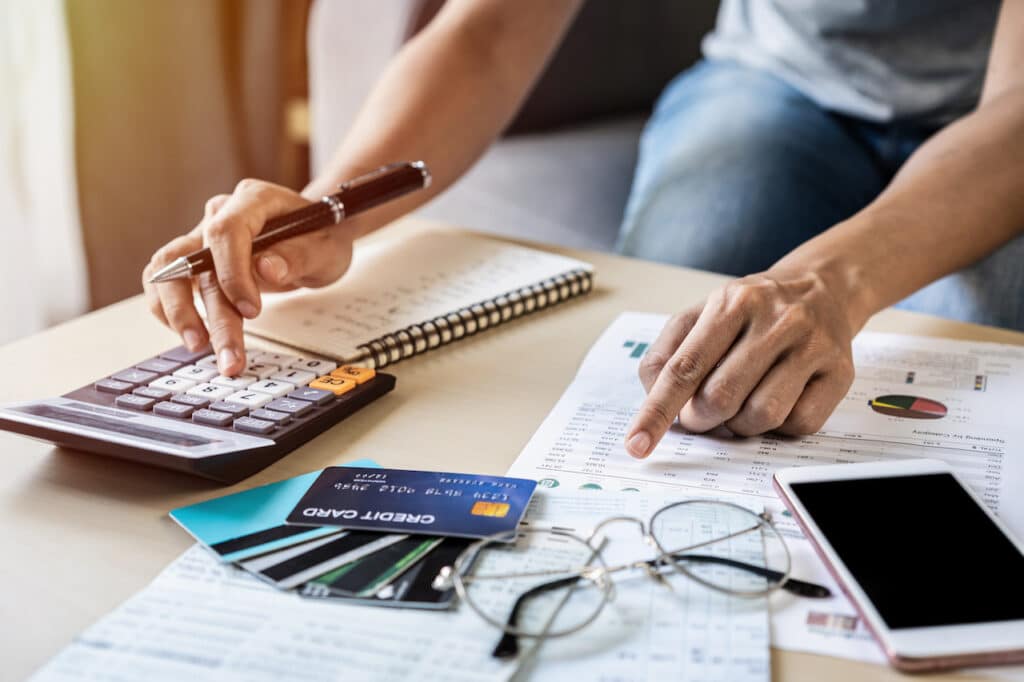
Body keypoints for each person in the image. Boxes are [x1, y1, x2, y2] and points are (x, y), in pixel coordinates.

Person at [144, 0, 1024, 461]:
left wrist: (836, 279)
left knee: (991, 322)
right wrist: (335, 208)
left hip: (998, 113)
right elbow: (490, 32)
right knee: (675, 320)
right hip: (776, 85)